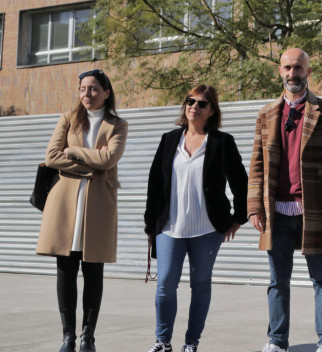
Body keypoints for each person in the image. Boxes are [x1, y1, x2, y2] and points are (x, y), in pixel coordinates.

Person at [247, 48, 322, 352]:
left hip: (312, 209)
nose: (293, 74)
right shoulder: (266, 113)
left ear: (308, 72)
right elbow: (256, 164)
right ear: (280, 71)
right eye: (287, 68)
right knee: (278, 281)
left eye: (298, 68)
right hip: (275, 212)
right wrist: (253, 206)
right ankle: (277, 340)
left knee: (321, 279)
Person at [143, 85, 249, 352]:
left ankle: (191, 343)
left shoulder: (222, 142)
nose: (194, 107)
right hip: (169, 227)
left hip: (208, 228)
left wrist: (238, 218)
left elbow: (241, 182)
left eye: (201, 103)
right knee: (166, 283)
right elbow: (155, 182)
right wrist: (150, 223)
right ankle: (162, 341)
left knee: (200, 285)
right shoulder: (169, 139)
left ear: (211, 110)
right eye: (190, 101)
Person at [36, 68, 129, 352]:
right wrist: (92, 162)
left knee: (93, 271)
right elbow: (51, 156)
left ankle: (88, 337)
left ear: (106, 92)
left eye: (92, 89)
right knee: (65, 269)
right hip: (64, 202)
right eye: (82, 89)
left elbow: (110, 158)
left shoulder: (118, 124)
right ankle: (68, 337)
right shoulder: (67, 119)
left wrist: (74, 152)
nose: (86, 94)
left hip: (99, 202)